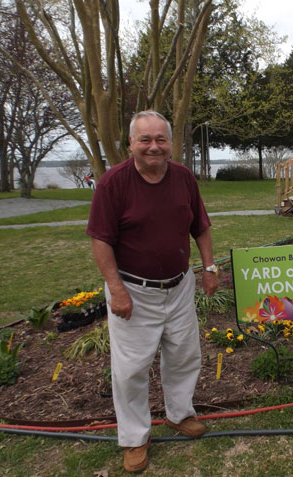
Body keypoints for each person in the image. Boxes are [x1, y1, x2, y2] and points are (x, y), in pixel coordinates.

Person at [86, 110, 219, 472]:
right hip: (133, 289)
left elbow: (201, 227)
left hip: (178, 286)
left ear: (170, 144)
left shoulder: (183, 179)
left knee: (184, 356)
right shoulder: (114, 183)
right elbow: (100, 240)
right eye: (145, 139)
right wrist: (116, 289)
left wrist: (208, 269)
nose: (153, 146)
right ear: (131, 143)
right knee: (130, 369)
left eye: (160, 139)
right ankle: (134, 438)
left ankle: (179, 415)